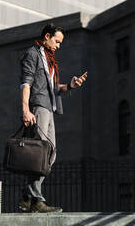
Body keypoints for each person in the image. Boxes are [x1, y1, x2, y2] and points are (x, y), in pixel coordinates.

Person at [18, 23, 87, 213]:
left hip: (49, 108)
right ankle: (36, 199)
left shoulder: (50, 60)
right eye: (57, 41)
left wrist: (70, 86)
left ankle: (28, 194)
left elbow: (54, 89)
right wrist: (25, 109)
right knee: (40, 153)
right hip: (37, 107)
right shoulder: (32, 54)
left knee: (51, 153)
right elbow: (26, 83)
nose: (59, 45)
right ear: (47, 36)